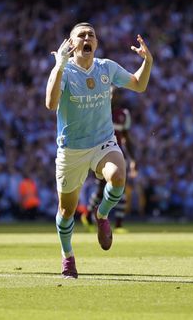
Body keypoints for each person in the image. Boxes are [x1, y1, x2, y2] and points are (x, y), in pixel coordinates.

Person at [45, 22, 152, 278]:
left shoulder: (106, 67)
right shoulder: (64, 70)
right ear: (71, 43)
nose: (86, 37)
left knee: (118, 177)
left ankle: (101, 215)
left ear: (96, 43)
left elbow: (138, 84)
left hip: (103, 142)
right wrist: (59, 65)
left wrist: (148, 61)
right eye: (81, 35)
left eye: (91, 34)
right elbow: (50, 104)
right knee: (66, 211)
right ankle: (68, 258)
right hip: (72, 149)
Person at [82, 87, 138, 233]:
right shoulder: (99, 112)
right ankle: (88, 215)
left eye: (116, 95)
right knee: (101, 189)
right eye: (111, 94)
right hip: (101, 155)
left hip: (118, 155)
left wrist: (133, 159)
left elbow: (127, 138)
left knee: (121, 188)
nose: (114, 97)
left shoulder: (124, 115)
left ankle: (119, 224)